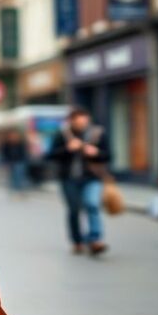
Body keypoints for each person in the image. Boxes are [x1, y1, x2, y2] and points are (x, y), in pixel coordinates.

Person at [47, 107, 111, 256]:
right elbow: (50, 156)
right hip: (69, 178)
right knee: (74, 210)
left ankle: (95, 240)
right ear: (71, 122)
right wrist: (67, 149)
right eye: (78, 122)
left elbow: (108, 156)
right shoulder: (62, 135)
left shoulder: (98, 133)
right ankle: (77, 241)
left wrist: (96, 153)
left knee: (92, 204)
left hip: (92, 177)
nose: (82, 125)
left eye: (85, 121)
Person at [0, 130, 28, 194]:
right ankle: (14, 190)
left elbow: (24, 153)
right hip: (10, 162)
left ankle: (19, 190)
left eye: (15, 136)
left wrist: (24, 160)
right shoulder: (6, 144)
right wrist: (4, 162)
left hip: (19, 161)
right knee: (12, 176)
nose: (14, 137)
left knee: (19, 175)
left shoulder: (21, 144)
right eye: (12, 136)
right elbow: (4, 154)